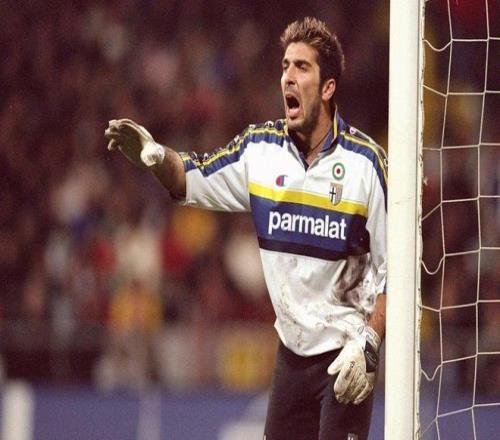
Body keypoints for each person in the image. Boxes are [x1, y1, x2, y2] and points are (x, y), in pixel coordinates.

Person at [105, 16, 387, 440]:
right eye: (285, 66)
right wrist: (155, 155)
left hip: (346, 353)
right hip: (291, 355)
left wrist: (369, 343)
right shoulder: (260, 150)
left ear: (328, 87)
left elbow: (394, 272)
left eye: (302, 67)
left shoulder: (366, 165)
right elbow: (191, 177)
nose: (288, 76)